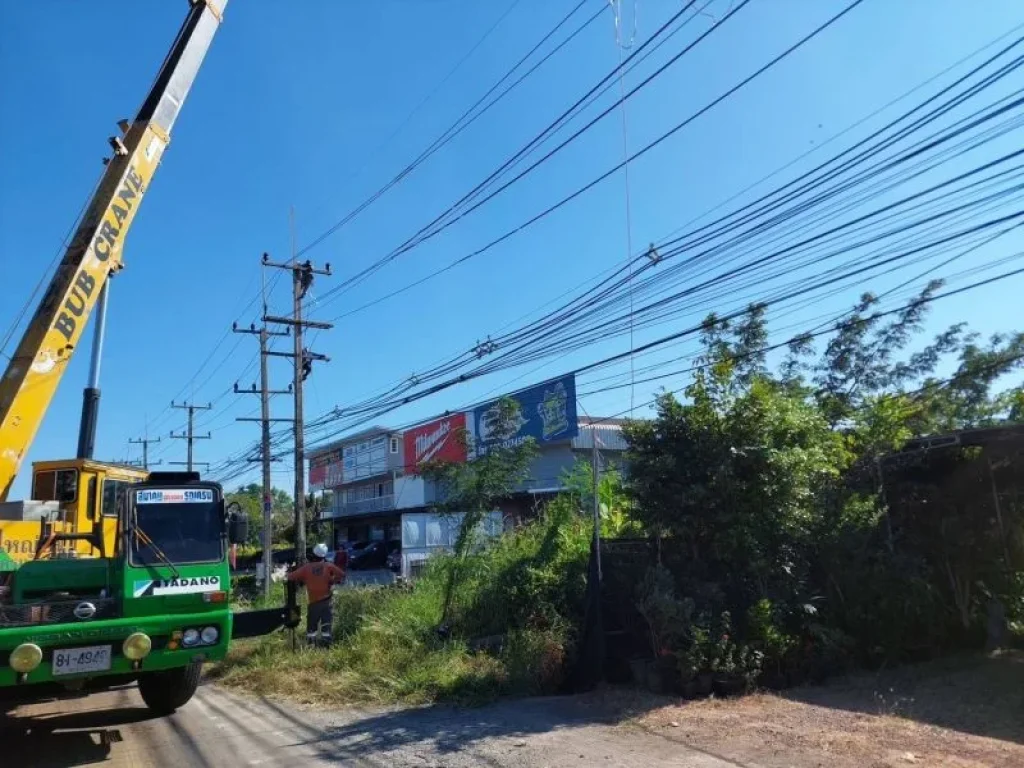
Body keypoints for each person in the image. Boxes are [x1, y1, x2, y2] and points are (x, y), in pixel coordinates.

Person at [287, 542, 344, 646]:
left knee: (311, 627)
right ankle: (326, 646)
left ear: (313, 553)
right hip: (327, 601)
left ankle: (311, 645)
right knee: (326, 626)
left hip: (313, 603)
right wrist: (333, 580)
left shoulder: (306, 568)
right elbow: (341, 574)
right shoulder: (328, 566)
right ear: (324, 555)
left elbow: (290, 577)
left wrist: (289, 570)